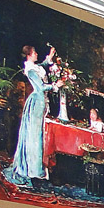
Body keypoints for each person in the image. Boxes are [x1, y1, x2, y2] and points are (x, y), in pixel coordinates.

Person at [8, 45, 62, 185]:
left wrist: (50, 56)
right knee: (35, 135)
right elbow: (41, 87)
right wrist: (55, 84)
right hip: (37, 102)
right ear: (30, 55)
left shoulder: (34, 66)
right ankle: (33, 170)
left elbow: (42, 66)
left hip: (40, 101)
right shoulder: (30, 70)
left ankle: (35, 168)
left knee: (37, 134)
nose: (37, 54)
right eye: (35, 52)